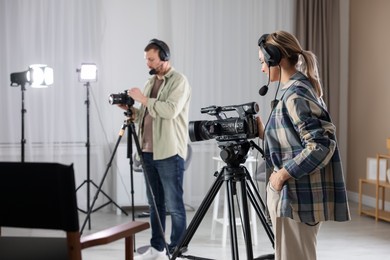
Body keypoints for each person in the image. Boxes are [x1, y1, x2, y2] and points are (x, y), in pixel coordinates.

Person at [256, 31, 351, 260]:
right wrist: (262, 132)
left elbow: (321, 145)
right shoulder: (294, 90)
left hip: (295, 196)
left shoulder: (296, 94)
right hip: (293, 195)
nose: (261, 69)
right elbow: (294, 140)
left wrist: (282, 175)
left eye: (262, 62)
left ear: (275, 59)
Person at [120, 38, 191, 260]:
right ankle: (157, 249)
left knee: (174, 205)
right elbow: (147, 113)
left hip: (169, 152)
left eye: (151, 59)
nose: (148, 63)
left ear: (165, 57)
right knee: (154, 204)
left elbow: (169, 110)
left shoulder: (179, 81)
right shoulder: (151, 83)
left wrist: (142, 98)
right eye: (146, 59)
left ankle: (177, 250)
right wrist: (132, 110)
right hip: (148, 150)